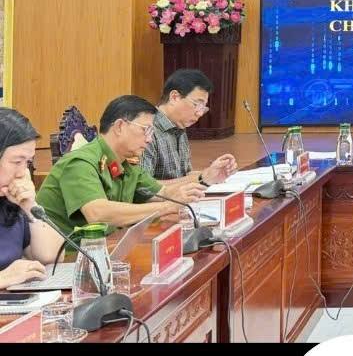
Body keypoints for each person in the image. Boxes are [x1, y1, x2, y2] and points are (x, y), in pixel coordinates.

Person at [36, 96, 206, 236]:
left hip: (107, 247)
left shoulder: (127, 162)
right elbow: (98, 213)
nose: (149, 139)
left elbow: (161, 193)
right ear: (119, 126)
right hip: (68, 257)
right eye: (145, 130)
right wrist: (167, 207)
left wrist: (189, 192)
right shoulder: (80, 163)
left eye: (152, 132)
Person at [0, 108, 64, 289]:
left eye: (28, 162)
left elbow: (52, 255)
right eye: (16, 162)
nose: (23, 172)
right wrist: (3, 277)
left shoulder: (9, 203)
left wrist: (30, 206)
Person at [141, 69, 238, 185]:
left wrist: (214, 173)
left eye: (203, 108)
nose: (199, 113)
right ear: (174, 97)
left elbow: (184, 175)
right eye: (197, 105)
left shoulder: (179, 128)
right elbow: (143, 187)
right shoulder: (146, 129)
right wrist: (202, 178)